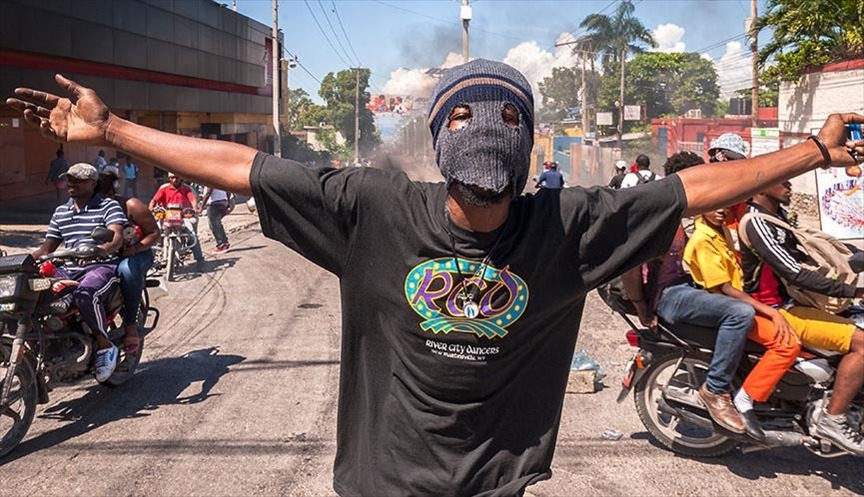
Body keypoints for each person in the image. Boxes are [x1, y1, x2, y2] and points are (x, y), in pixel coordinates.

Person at [8, 65, 864, 495]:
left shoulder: (567, 224)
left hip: (496, 484)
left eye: (508, 114)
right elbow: (243, 167)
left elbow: (693, 188)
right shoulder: (372, 208)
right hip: (382, 482)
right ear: (438, 136)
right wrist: (113, 130)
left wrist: (813, 153)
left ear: (529, 141)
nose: (487, 127)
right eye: (464, 113)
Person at [621, 151, 765, 436]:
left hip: (684, 287)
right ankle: (715, 389)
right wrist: (642, 310)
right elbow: (631, 268)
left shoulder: (680, 214)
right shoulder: (658, 216)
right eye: (703, 182)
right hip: (669, 296)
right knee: (740, 312)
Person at [741, 180, 864, 455]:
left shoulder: (778, 216)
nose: (789, 184)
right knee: (862, 344)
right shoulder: (757, 222)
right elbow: (794, 271)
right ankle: (833, 419)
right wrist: (852, 290)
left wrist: (855, 259)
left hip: (798, 301)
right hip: (778, 310)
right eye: (783, 179)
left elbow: (814, 252)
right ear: (761, 186)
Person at [682, 206, 801, 441]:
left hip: (745, 301)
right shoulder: (702, 239)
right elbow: (725, 288)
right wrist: (769, 311)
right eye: (715, 205)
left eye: (726, 204)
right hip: (731, 307)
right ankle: (745, 402)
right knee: (787, 344)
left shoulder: (723, 230)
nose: (722, 210)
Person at [30, 163, 126, 382]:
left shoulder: (108, 206)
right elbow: (46, 249)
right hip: (68, 268)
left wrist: (100, 250)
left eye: (78, 180)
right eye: (69, 179)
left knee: (85, 294)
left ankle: (105, 345)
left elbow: (116, 237)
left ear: (92, 183)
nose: (71, 183)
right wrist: (21, 263)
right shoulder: (61, 212)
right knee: (30, 295)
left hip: (102, 267)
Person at [96, 168, 159, 354]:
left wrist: (136, 248)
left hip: (137, 254)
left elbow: (154, 233)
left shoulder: (132, 206)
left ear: (110, 193)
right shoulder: (87, 208)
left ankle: (131, 324)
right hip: (107, 256)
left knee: (126, 270)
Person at [149, 172, 205, 267]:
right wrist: (151, 208)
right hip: (166, 217)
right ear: (169, 179)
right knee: (154, 235)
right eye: (172, 177)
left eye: (177, 177)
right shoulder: (164, 189)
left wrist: (195, 208)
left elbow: (192, 200)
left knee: (192, 235)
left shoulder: (186, 189)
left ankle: (200, 260)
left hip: (182, 217)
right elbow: (154, 200)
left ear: (180, 178)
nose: (175, 180)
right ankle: (150, 262)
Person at [200, 186, 233, 253]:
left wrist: (201, 207)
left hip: (214, 204)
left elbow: (208, 193)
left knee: (214, 225)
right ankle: (224, 242)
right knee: (217, 224)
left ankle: (222, 244)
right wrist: (228, 202)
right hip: (223, 202)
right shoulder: (221, 180)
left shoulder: (210, 180)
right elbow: (228, 191)